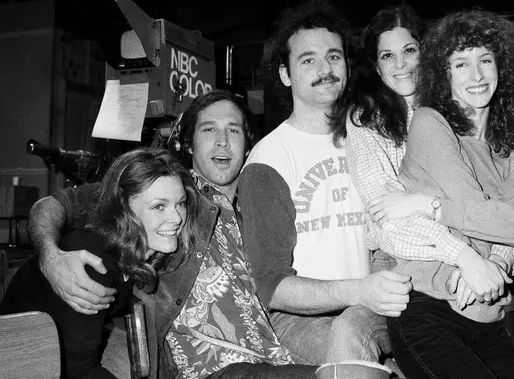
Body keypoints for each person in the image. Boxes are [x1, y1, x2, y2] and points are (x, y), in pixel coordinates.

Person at [27, 90, 320, 379]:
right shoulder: (165, 186)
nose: (222, 141)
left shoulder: (259, 205)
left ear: (247, 144)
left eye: (233, 130)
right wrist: (49, 255)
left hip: (274, 351)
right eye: (209, 129)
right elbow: (53, 205)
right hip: (210, 366)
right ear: (189, 144)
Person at [362, 8, 514, 378]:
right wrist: (477, 259)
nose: (476, 76)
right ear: (443, 75)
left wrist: (429, 206)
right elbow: (480, 211)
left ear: (502, 69)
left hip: (488, 320)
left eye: (485, 60)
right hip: (428, 314)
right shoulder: (429, 124)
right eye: (461, 64)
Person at [237, 0, 409, 378]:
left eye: (333, 57)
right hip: (301, 320)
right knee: (357, 355)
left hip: (377, 307)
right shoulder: (270, 160)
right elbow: (271, 287)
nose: (325, 69)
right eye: (308, 60)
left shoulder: (371, 138)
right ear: (285, 74)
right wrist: (358, 291)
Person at [0, 147, 199, 379]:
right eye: (158, 206)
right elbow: (78, 371)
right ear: (124, 209)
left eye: (181, 204)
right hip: (20, 358)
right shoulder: (92, 263)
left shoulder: (137, 250)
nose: (176, 218)